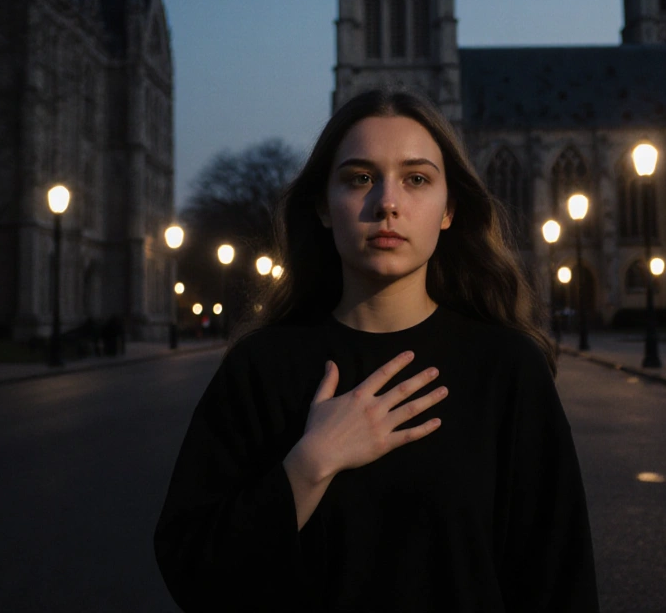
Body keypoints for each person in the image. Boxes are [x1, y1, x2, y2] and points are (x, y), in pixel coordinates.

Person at [154, 88, 599, 612]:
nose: (387, 203)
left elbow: (558, 581)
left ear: (449, 208)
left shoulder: (508, 369)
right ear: (322, 205)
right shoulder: (262, 367)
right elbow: (192, 570)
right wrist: (310, 464)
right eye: (360, 178)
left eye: (416, 179)